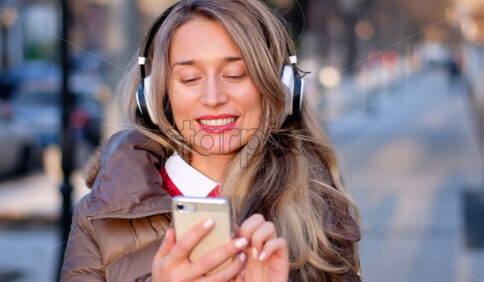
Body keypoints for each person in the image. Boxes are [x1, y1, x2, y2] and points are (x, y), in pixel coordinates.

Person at [60, 0, 361, 281]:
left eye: (235, 74)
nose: (213, 98)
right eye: (190, 78)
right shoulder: (97, 217)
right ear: (156, 97)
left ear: (280, 89)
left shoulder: (319, 207)